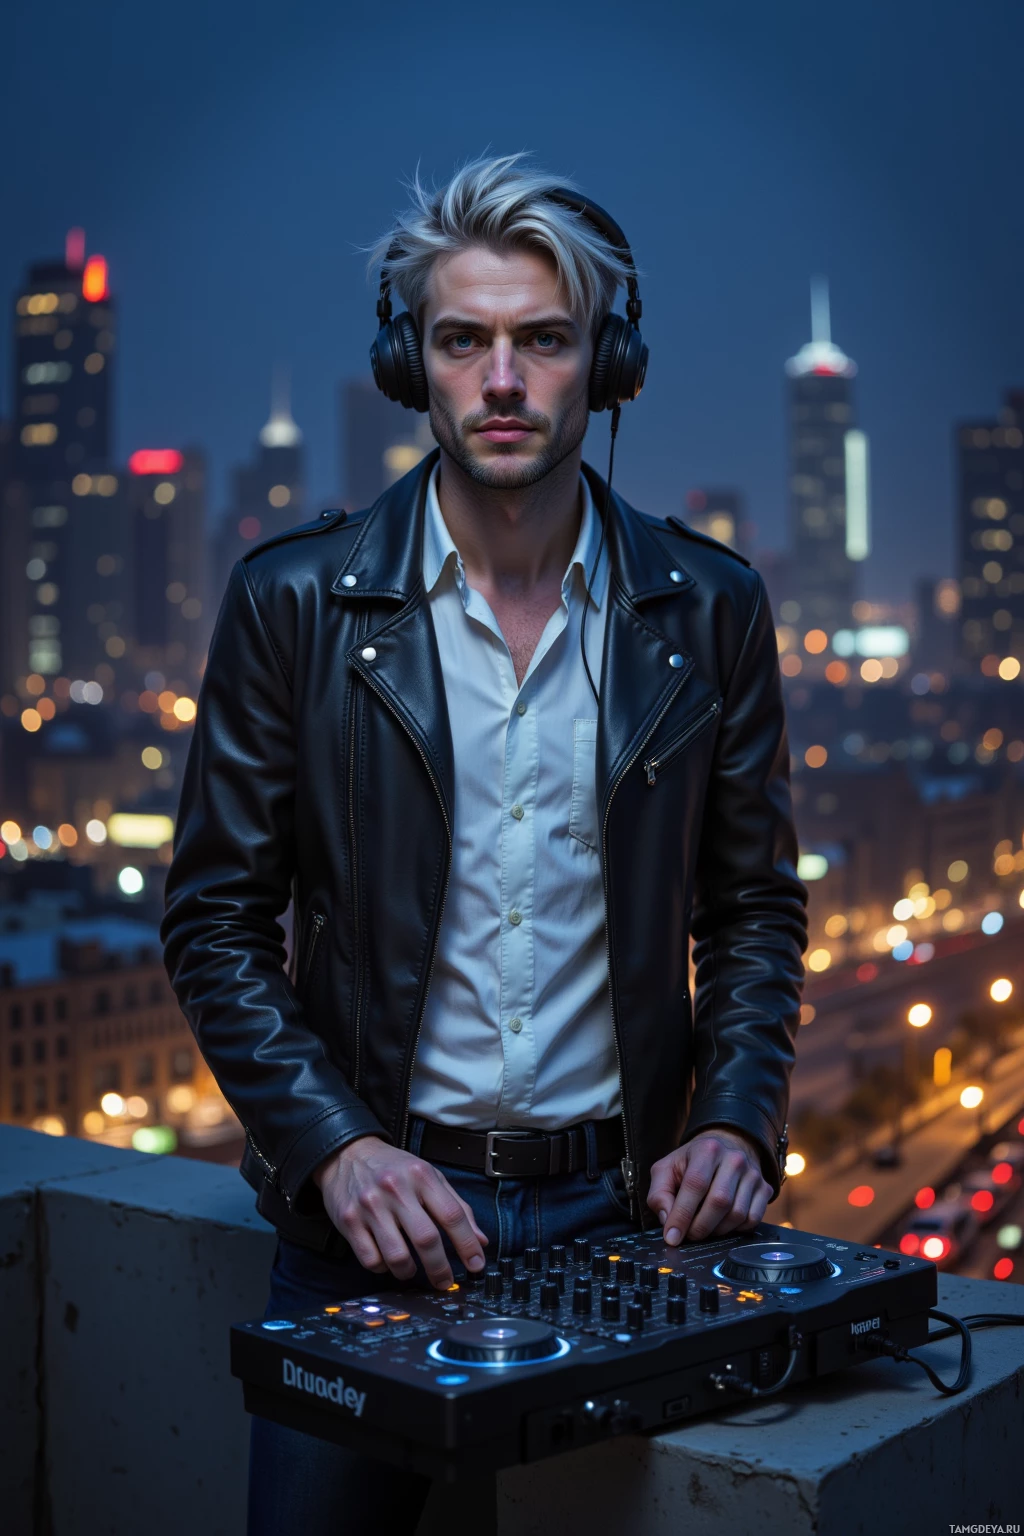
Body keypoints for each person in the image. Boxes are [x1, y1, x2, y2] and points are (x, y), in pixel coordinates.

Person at [161, 152, 808, 1536]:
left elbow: (752, 907)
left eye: (544, 339)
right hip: (367, 1226)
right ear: (414, 366)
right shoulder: (294, 606)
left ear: (607, 363)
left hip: (629, 1222)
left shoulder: (710, 609)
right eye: (464, 341)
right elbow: (214, 920)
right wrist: (337, 1151)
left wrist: (739, 1116)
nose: (502, 379)